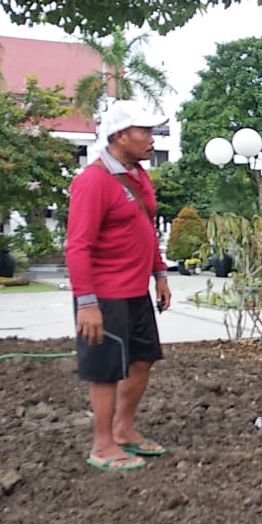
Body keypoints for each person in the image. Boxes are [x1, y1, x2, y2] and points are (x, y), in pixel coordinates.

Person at [66, 100, 172, 472]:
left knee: (143, 360)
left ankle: (124, 429)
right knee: (105, 370)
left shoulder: (139, 176)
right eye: (144, 132)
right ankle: (102, 444)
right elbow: (78, 245)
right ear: (120, 136)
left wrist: (159, 273)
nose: (151, 140)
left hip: (135, 292)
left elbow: (145, 228)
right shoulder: (92, 181)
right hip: (105, 295)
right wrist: (87, 303)